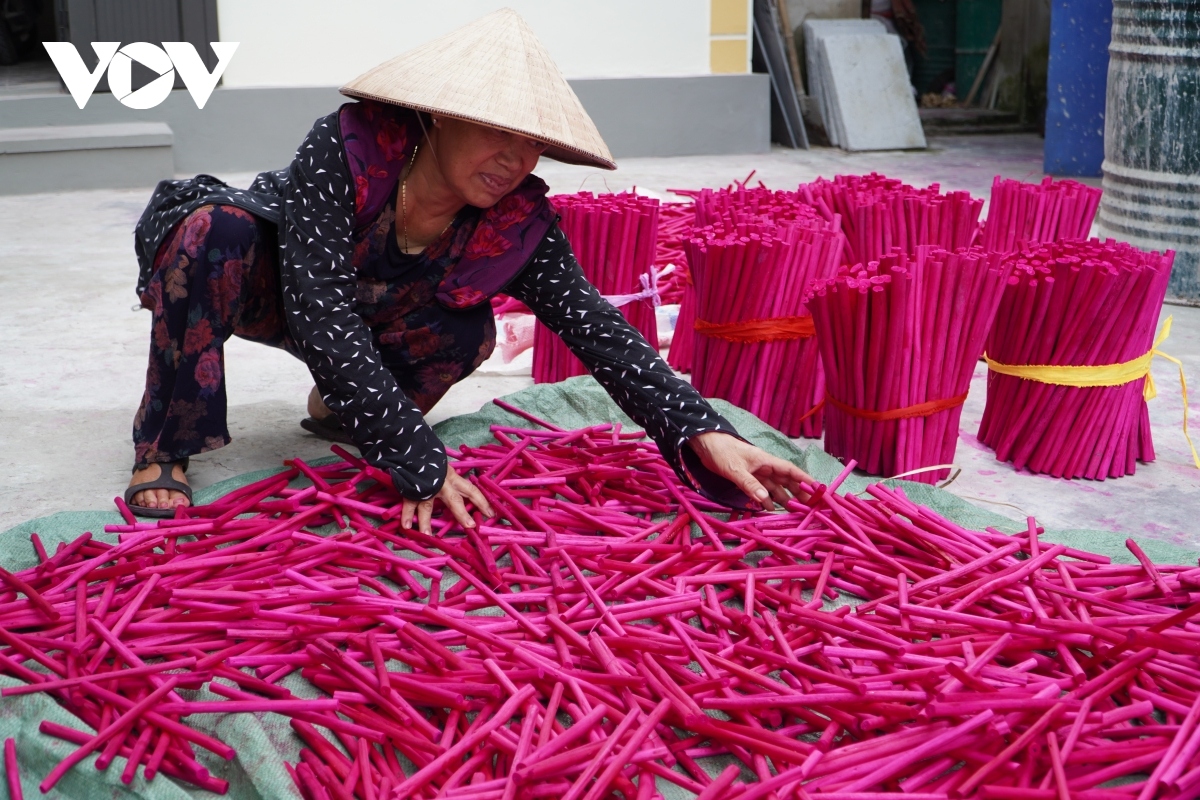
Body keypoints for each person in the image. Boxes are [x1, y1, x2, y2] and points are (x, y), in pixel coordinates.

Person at [125, 9, 811, 530]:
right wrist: (415, 458)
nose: (516, 157)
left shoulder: (515, 219)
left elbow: (598, 328)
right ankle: (163, 443)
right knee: (213, 231)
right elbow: (320, 311)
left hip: (375, 309)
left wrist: (701, 429)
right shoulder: (348, 149)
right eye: (497, 130)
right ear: (439, 119)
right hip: (274, 281)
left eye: (533, 141)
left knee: (467, 330)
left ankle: (343, 408)